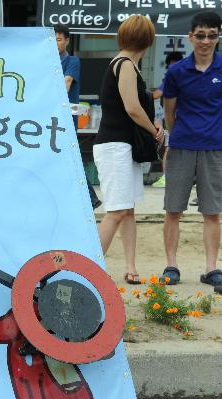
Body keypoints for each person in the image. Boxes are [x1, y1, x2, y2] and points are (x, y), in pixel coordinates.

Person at [92, 15, 163, 285]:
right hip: (115, 146)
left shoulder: (126, 63)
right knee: (117, 210)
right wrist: (153, 129)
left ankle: (131, 266)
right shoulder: (125, 65)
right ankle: (90, 268)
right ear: (148, 39)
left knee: (126, 208)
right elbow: (132, 108)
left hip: (121, 146)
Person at [161, 11, 222, 289]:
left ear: (218, 36)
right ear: (190, 37)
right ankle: (171, 265)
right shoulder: (176, 72)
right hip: (183, 146)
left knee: (212, 212)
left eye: (212, 35)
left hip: (214, 148)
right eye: (201, 35)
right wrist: (180, 134)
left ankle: (211, 269)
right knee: (173, 210)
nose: (206, 41)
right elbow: (169, 112)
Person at [54, 24, 102, 209]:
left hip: (66, 119)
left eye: (59, 39)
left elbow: (66, 84)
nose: (55, 43)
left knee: (71, 157)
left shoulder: (72, 61)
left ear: (67, 40)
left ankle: (90, 198)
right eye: (52, 40)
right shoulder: (45, 61)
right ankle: (88, 199)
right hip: (49, 118)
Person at [151, 51, 184, 189]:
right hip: (185, 120)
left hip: (174, 120)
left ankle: (166, 177)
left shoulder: (171, 77)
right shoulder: (186, 75)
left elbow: (156, 95)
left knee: (169, 149)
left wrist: (140, 94)